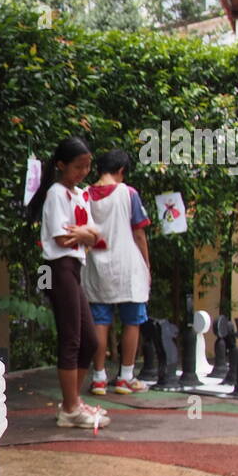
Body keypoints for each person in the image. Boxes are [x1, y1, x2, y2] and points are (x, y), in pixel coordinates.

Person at [28, 137, 109, 430]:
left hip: (75, 266)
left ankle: (72, 403)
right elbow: (64, 238)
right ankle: (71, 407)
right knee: (72, 338)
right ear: (61, 165)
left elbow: (97, 236)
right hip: (58, 268)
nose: (84, 171)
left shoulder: (79, 194)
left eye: (88, 166)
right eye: (78, 166)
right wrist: (88, 235)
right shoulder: (56, 194)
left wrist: (87, 235)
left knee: (90, 340)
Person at [81, 149, 151, 395]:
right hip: (127, 265)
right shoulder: (128, 193)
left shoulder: (85, 194)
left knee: (100, 321)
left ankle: (99, 378)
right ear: (121, 171)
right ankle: (126, 377)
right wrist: (146, 264)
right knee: (132, 321)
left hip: (96, 267)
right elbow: (139, 233)